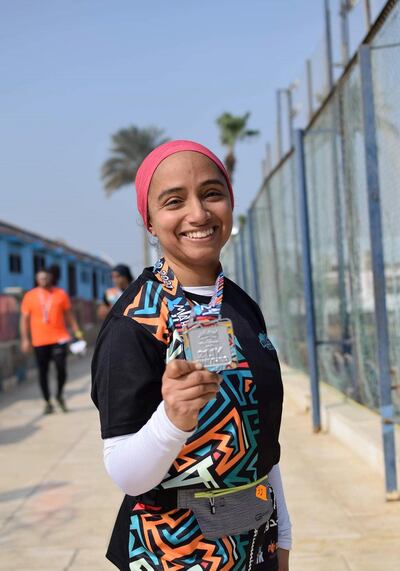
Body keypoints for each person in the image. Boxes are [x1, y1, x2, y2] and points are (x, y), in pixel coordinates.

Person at [91, 140, 291, 570]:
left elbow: (262, 440)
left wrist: (283, 535)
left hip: (254, 541)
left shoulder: (240, 305)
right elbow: (126, 474)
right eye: (174, 201)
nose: (198, 214)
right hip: (173, 550)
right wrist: (172, 420)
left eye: (212, 194)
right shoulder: (135, 323)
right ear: (149, 221)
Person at [20, 269, 83, 414]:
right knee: (43, 372)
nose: (43, 280)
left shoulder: (60, 294)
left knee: (61, 369)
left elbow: (69, 315)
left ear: (51, 278)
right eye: (40, 278)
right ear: (37, 279)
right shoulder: (30, 296)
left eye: (46, 278)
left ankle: (59, 395)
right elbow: (24, 319)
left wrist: (77, 331)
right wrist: (25, 339)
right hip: (39, 341)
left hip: (59, 338)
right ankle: (47, 402)